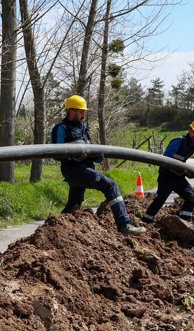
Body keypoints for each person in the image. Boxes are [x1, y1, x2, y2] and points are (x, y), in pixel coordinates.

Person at [51, 95, 145, 235]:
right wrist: (74, 155)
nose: (84, 114)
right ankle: (124, 224)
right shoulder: (61, 128)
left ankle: (53, 231)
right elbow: (56, 152)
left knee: (74, 204)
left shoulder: (83, 128)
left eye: (84, 111)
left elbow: (87, 149)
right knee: (110, 185)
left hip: (85, 168)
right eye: (81, 111)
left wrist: (96, 156)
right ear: (71, 111)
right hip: (74, 170)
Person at [141, 119, 194, 223]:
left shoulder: (193, 145)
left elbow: (182, 160)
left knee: (191, 198)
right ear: (189, 129)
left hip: (179, 177)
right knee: (160, 200)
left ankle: (185, 222)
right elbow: (166, 160)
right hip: (167, 175)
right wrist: (179, 170)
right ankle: (146, 220)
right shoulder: (178, 141)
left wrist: (186, 172)